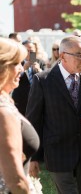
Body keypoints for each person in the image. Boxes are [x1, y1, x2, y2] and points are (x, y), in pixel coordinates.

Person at [25, 36, 81, 193]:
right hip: (58, 153)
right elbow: (33, 120)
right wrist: (32, 157)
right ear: (63, 56)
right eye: (79, 55)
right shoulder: (43, 80)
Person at [0, 37, 39, 193]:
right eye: (16, 63)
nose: (22, 69)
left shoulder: (4, 98)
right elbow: (15, 180)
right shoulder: (3, 113)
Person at [12, 39, 46, 116]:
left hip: (37, 100)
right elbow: (12, 78)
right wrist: (23, 68)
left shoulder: (40, 62)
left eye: (32, 51)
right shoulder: (17, 62)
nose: (30, 53)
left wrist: (39, 70)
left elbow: (47, 79)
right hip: (21, 101)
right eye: (27, 50)